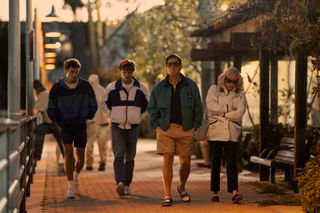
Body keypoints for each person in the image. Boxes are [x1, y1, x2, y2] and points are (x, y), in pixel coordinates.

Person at [147, 54, 203, 207]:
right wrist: (157, 125)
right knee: (168, 157)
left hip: (186, 128)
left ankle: (182, 187)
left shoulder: (191, 85)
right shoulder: (159, 88)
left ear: (180, 66)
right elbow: (151, 108)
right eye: (170, 64)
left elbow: (199, 107)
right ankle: (167, 194)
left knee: (185, 161)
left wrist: (195, 125)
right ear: (166, 67)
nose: (173, 66)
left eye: (176, 64)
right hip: (166, 128)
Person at [47, 58, 97, 199]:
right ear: (66, 71)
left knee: (80, 159)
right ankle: (70, 187)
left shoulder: (86, 86)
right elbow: (51, 108)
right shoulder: (57, 88)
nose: (74, 74)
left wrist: (86, 116)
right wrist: (59, 120)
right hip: (66, 127)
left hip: (81, 126)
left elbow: (93, 105)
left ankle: (76, 176)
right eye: (72, 71)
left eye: (76, 72)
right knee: (68, 156)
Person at [101, 59, 149, 197]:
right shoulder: (112, 87)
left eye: (129, 72)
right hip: (117, 127)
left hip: (133, 127)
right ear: (120, 72)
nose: (126, 75)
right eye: (124, 72)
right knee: (119, 154)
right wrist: (111, 116)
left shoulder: (141, 88)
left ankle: (127, 184)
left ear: (133, 72)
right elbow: (104, 104)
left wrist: (141, 117)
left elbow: (150, 105)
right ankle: (120, 183)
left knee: (130, 157)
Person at [206, 67, 247, 204]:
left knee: (231, 163)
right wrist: (230, 111)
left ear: (238, 82)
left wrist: (222, 113)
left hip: (231, 134)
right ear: (224, 79)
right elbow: (211, 106)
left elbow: (240, 113)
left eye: (234, 82)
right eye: (229, 81)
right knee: (215, 163)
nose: (231, 84)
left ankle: (234, 192)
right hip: (215, 132)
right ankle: (215, 192)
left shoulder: (240, 95)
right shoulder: (214, 89)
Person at [32, 80, 65, 162]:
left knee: (63, 144)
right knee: (39, 130)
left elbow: (35, 111)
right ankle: (37, 156)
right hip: (51, 123)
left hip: (56, 123)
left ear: (35, 90)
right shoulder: (46, 93)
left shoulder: (43, 95)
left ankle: (70, 163)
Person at [85, 74, 111, 172]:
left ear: (90, 81)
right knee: (103, 145)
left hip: (93, 122)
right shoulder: (105, 90)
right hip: (104, 122)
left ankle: (89, 164)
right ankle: (102, 163)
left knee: (89, 144)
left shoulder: (87, 91)